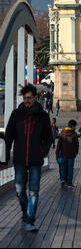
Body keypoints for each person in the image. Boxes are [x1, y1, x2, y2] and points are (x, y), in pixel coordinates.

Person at [4, 84, 53, 232]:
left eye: (29, 98)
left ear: (35, 98)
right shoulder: (16, 114)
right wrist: (4, 158)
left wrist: (42, 151)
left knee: (33, 191)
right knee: (19, 190)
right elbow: (8, 137)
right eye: (25, 98)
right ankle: (25, 213)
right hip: (19, 159)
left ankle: (31, 220)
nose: (27, 101)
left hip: (35, 160)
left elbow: (49, 137)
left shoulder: (42, 116)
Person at [56, 119, 79, 189]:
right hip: (71, 155)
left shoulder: (62, 132)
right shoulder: (74, 134)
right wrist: (76, 152)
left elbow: (59, 144)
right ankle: (69, 182)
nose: (75, 128)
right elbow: (76, 145)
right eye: (75, 126)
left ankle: (63, 180)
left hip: (63, 154)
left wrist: (57, 152)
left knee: (63, 167)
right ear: (72, 126)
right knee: (70, 168)